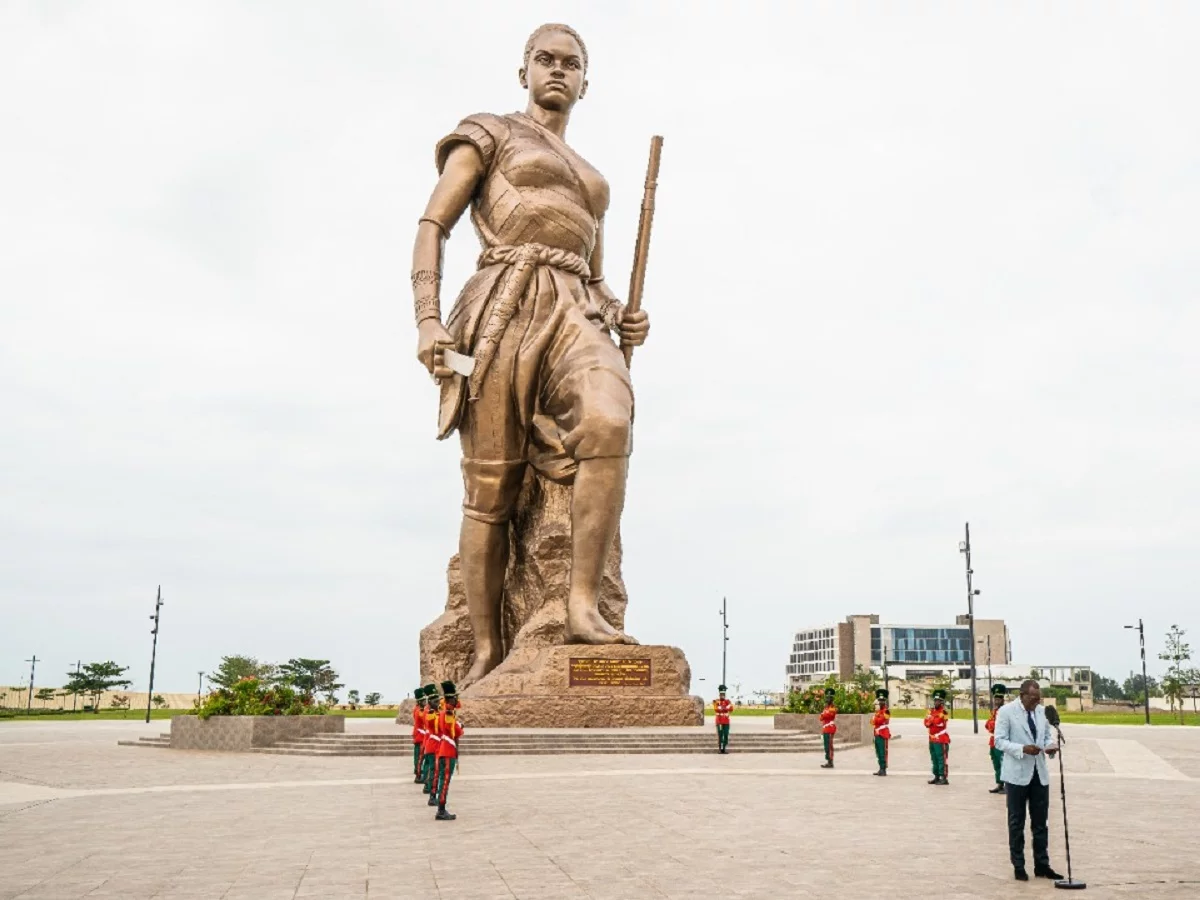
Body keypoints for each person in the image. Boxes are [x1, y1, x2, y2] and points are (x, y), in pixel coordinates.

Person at [410, 23, 651, 687]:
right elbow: (433, 224)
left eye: (570, 64)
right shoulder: (490, 132)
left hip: (574, 310)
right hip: (502, 308)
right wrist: (428, 320)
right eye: (545, 60)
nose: (557, 71)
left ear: (584, 81)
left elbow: (595, 276)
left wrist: (624, 317)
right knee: (491, 491)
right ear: (523, 72)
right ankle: (487, 646)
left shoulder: (593, 183)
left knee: (610, 419)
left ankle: (582, 605)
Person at [993, 679, 1064, 882]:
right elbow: (999, 740)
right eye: (1032, 699)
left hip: (1039, 774)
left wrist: (1049, 746)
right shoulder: (1006, 712)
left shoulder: (1041, 712)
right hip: (1016, 775)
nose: (1036, 702)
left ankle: (1042, 865)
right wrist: (1022, 749)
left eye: (1038, 699)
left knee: (1041, 822)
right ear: (1022, 694)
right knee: (1017, 822)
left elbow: (1045, 737)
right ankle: (1019, 865)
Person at [430, 680, 464, 821]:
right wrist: (460, 726)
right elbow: (455, 731)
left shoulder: (444, 712)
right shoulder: (448, 713)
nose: (457, 700)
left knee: (442, 779)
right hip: (448, 750)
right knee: (445, 781)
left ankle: (440, 806)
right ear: (451, 699)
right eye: (455, 697)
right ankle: (441, 809)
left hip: (444, 748)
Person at [924, 689, 951, 785]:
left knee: (941, 758)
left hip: (941, 738)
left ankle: (943, 777)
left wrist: (931, 720)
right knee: (934, 758)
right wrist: (931, 721)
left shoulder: (944, 712)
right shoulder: (930, 711)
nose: (936, 702)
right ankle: (936, 776)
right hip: (932, 738)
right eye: (935, 700)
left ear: (942, 702)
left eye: (938, 700)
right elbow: (926, 723)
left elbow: (938, 722)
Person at [985, 683, 1007, 794]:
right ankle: (999, 783)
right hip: (993, 741)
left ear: (1003, 700)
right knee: (996, 763)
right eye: (995, 699)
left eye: (999, 699)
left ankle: (1007, 785)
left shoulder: (1006, 711)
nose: (997, 701)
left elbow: (996, 725)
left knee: (1004, 763)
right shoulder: (994, 711)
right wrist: (992, 724)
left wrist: (992, 724)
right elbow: (987, 725)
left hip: (1002, 740)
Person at [421, 682, 442, 795]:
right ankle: (429, 787)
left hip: (432, 740)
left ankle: (428, 785)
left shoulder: (434, 711)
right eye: (436, 701)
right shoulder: (428, 712)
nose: (438, 703)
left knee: (430, 766)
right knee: (432, 767)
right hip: (432, 740)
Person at [871, 688, 891, 776]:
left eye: (882, 700)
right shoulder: (878, 712)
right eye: (879, 700)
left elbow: (879, 721)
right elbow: (872, 722)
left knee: (883, 751)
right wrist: (875, 720)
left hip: (883, 733)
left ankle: (883, 769)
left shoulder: (886, 711)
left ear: (885, 701)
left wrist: (875, 719)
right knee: (878, 751)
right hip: (877, 733)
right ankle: (880, 768)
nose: (881, 702)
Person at [412, 685, 428, 783]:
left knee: (421, 757)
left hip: (422, 736)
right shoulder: (418, 711)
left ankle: (420, 773)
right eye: (423, 701)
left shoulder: (420, 709)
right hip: (420, 736)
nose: (425, 702)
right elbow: (423, 717)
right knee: (419, 757)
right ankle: (418, 775)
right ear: (419, 701)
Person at [819, 688, 837, 768]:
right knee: (826, 745)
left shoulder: (833, 708)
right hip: (825, 728)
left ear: (832, 699)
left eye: (829, 698)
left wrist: (824, 714)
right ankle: (828, 760)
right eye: (827, 697)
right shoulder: (826, 708)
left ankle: (830, 762)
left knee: (829, 746)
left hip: (830, 728)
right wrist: (824, 714)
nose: (827, 699)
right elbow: (821, 717)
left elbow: (829, 715)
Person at [713, 685, 733, 754]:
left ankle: (724, 748)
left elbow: (731, 708)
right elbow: (716, 709)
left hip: (726, 721)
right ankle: (720, 749)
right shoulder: (716, 701)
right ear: (719, 694)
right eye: (721, 694)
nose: (722, 695)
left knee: (726, 735)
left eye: (723, 694)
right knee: (720, 735)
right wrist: (725, 708)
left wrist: (722, 708)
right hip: (719, 721)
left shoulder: (728, 701)